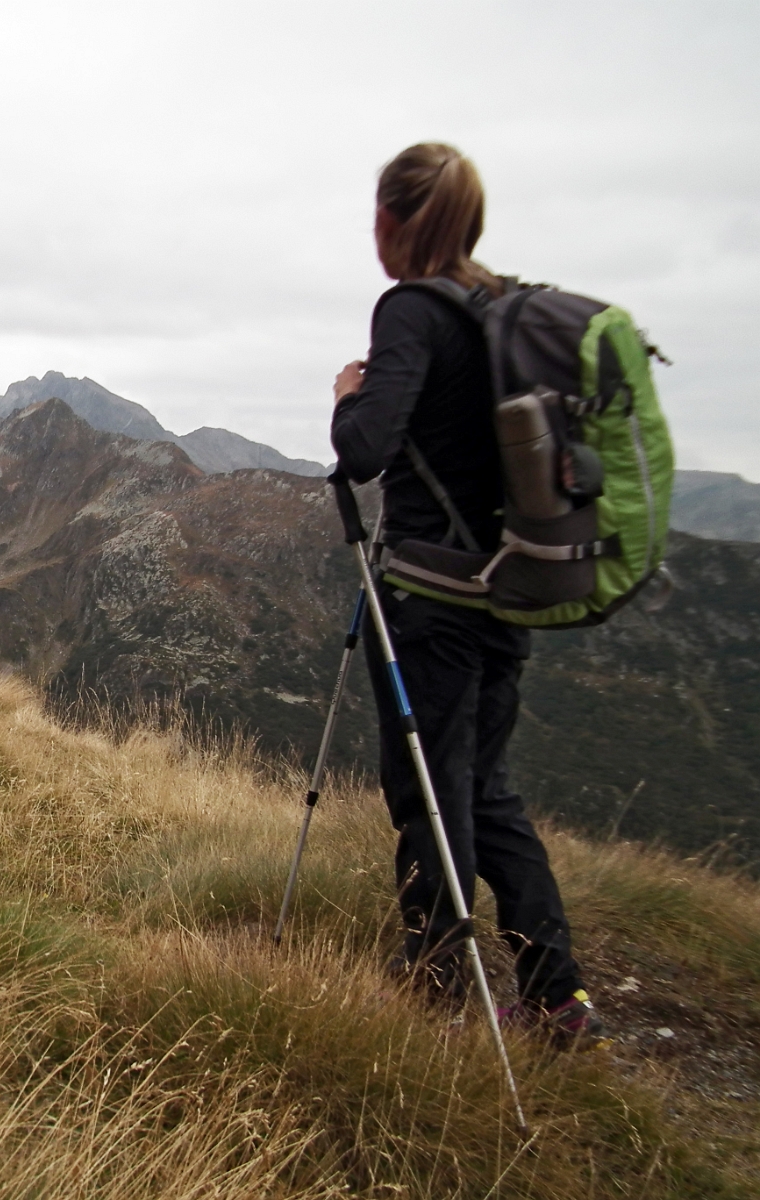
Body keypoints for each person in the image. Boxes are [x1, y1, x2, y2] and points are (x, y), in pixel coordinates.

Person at [329, 142, 604, 1046]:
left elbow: (366, 448)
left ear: (393, 221)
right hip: (509, 587)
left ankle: (437, 984)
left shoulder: (409, 309)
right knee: (485, 788)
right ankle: (559, 994)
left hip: (431, 596)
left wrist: (344, 398)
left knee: (426, 792)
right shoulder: (501, 311)